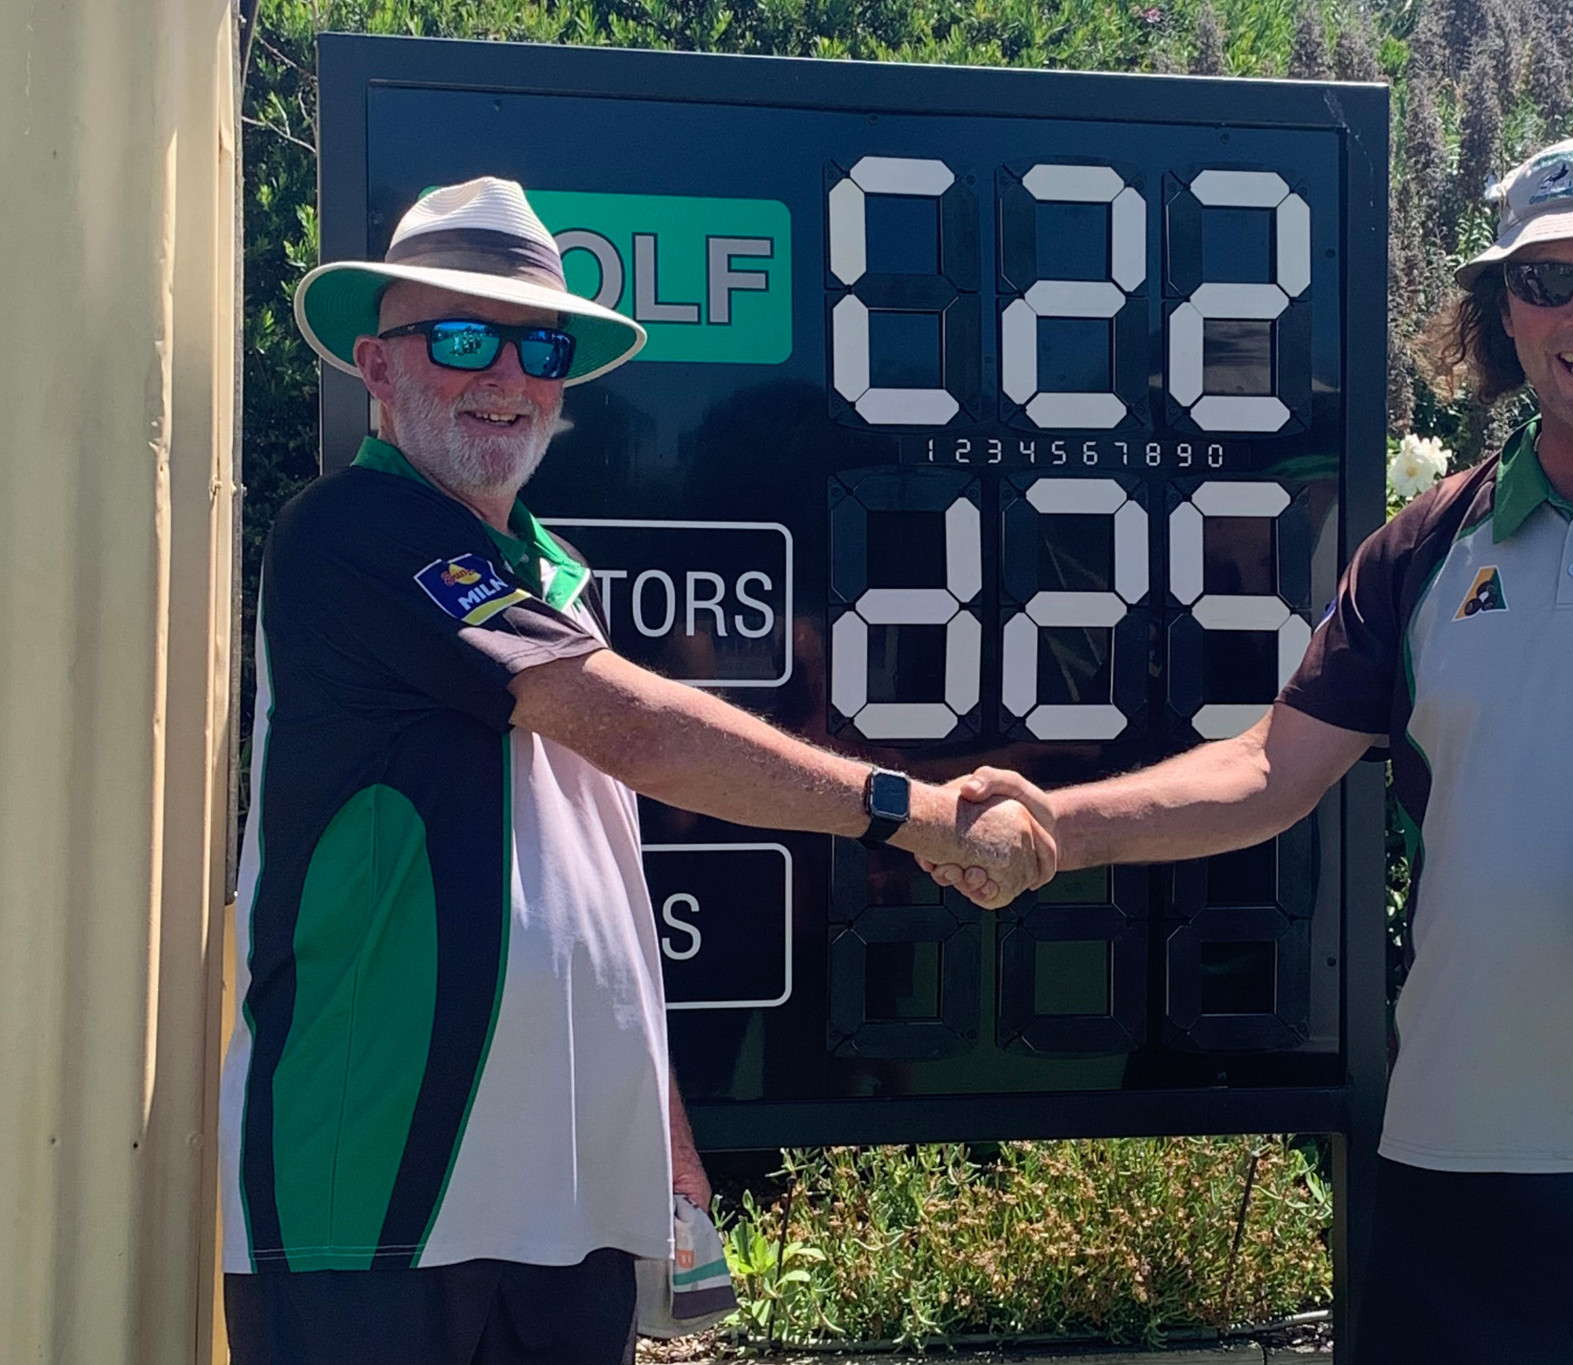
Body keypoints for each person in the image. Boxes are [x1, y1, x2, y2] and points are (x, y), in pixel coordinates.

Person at [929, 136, 1573, 1363]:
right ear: (1499, 313)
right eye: (1541, 281)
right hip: (1449, 1150)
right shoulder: (1423, 542)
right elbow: (1268, 770)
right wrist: (1057, 824)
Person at [222, 177, 1054, 1365]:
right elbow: (640, 732)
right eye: (461, 337)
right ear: (378, 365)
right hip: (375, 1210)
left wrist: (660, 1138)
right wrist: (910, 812)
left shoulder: (549, 575)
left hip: (568, 1216)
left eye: (541, 343)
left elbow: (601, 880)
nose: (507, 375)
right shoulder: (351, 529)